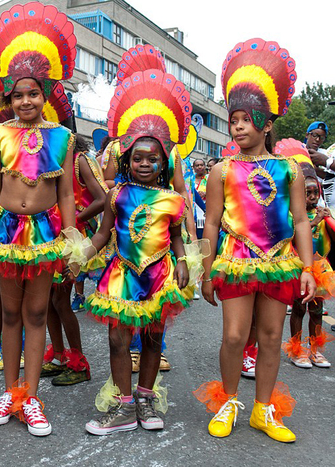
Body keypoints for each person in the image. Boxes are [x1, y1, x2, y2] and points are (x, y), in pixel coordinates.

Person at [196, 38, 316, 443]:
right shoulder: (222, 170)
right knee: (233, 336)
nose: (239, 127)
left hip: (280, 260)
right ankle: (228, 401)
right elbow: (210, 224)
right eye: (234, 120)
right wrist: (206, 270)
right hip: (235, 260)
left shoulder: (290, 170)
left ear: (266, 124)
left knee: (270, 338)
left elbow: (301, 221)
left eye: (247, 120)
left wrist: (307, 268)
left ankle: (264, 410)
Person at [0, 2, 77, 437]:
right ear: (9, 99)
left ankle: (31, 396)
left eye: (33, 93)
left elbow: (68, 193)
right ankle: (11, 391)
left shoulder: (63, 137)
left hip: (45, 234)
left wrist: (74, 244)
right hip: (4, 234)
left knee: (38, 313)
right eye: (17, 95)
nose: (25, 101)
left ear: (46, 94)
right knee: (10, 315)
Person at [83, 57, 195, 436]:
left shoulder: (172, 199)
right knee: (117, 338)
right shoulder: (117, 194)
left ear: (164, 163)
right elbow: (102, 235)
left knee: (152, 336)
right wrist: (79, 255)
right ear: (127, 161)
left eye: (153, 158)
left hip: (159, 273)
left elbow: (177, 236)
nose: (144, 163)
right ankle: (124, 404)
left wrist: (183, 262)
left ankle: (146, 398)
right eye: (137, 157)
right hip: (121, 273)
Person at [43, 135, 107, 386]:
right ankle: (59, 356)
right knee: (48, 299)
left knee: (60, 299)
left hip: (71, 239)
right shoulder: (49, 161)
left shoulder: (80, 160)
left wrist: (74, 221)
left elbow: (102, 199)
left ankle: (79, 363)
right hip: (49, 237)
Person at [280, 149, 335, 369]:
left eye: (315, 193)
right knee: (299, 309)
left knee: (316, 311)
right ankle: (296, 350)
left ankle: (315, 350)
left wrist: (327, 220)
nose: (312, 197)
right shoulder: (293, 216)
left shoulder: (324, 213)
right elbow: (291, 236)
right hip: (299, 268)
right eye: (307, 193)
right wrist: (313, 222)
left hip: (320, 270)